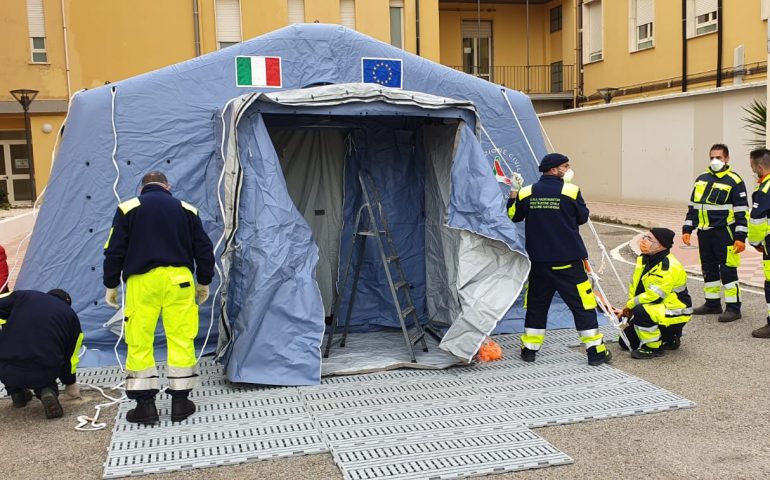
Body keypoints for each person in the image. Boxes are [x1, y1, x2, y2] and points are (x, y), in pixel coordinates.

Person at [103, 171, 214, 425]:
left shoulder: (127, 208)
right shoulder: (187, 209)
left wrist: (111, 284)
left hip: (142, 282)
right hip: (180, 281)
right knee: (181, 338)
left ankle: (145, 406)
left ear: (143, 187)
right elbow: (204, 250)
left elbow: (114, 249)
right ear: (168, 187)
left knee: (139, 339)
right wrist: (203, 281)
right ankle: (180, 402)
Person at [507, 153, 611, 366]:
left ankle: (529, 350)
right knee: (582, 305)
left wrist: (513, 193)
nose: (568, 169)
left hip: (539, 263)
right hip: (568, 262)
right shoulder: (571, 190)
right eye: (565, 166)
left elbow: (513, 216)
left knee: (536, 305)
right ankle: (595, 352)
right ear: (554, 170)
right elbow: (582, 218)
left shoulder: (527, 192)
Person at [682, 144, 748, 323]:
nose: (715, 161)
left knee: (727, 270)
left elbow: (742, 211)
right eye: (712, 157)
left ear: (727, 159)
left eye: (719, 157)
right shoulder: (701, 179)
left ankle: (734, 307)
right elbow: (693, 206)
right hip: (705, 232)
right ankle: (712, 303)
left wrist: (741, 237)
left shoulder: (734, 181)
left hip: (724, 232)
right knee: (708, 268)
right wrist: (688, 228)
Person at [0, 289, 83, 418]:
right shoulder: (71, 317)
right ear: (67, 302)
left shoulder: (25, 296)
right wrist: (70, 382)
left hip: (7, 369)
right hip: (43, 371)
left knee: (9, 358)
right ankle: (46, 391)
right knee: (45, 374)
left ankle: (17, 395)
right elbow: (70, 358)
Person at [615, 228, 692, 359]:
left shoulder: (668, 266)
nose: (644, 241)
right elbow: (637, 287)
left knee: (641, 311)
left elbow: (654, 296)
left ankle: (653, 347)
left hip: (676, 310)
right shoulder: (645, 259)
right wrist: (629, 310)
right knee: (625, 342)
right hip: (659, 308)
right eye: (645, 237)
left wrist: (630, 306)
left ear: (661, 245)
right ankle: (669, 338)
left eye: (650, 239)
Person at [747, 148, 770, 339]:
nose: (753, 171)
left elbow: (757, 219)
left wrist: (754, 242)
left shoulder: (765, 189)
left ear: (760, 166)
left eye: (753, 167)